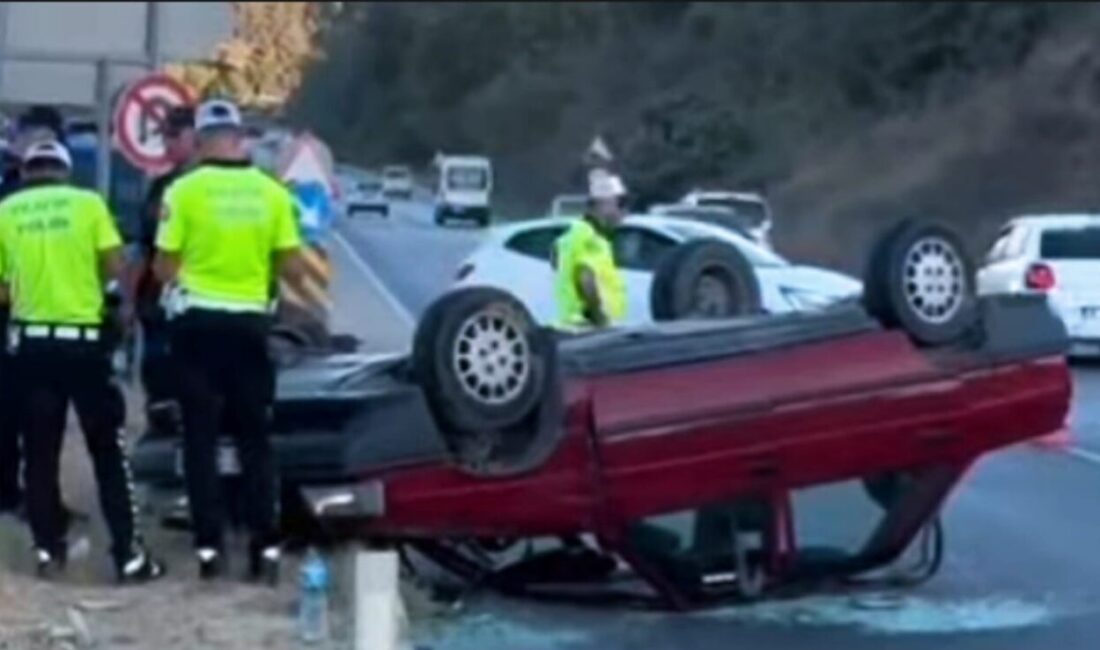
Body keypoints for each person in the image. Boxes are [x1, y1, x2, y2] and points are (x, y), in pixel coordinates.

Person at [0, 140, 164, 582]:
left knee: (39, 453)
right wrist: (120, 310)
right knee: (108, 449)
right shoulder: (88, 204)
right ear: (65, 172)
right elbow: (115, 268)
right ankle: (129, 556)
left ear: (27, 173)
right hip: (86, 348)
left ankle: (47, 553)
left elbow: (2, 290)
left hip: (32, 348)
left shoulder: (6, 212)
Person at [154, 99, 304, 583]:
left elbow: (164, 266)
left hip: (196, 326)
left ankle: (209, 550)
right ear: (241, 138)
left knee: (200, 439)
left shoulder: (183, 191)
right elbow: (292, 266)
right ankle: (265, 547)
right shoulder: (272, 194)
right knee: (255, 438)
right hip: (249, 327)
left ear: (199, 141)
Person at [0, 105, 72, 516]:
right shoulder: (9, 189)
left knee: (37, 416)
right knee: (16, 411)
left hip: (43, 316)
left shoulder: (61, 193)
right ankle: (15, 492)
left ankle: (33, 495)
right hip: (18, 314)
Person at [132, 106, 195, 429]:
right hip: (161, 302)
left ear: (195, 135)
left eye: (174, 136)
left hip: (188, 302)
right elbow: (146, 244)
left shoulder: (186, 187)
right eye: (165, 136)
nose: (167, 144)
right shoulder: (162, 185)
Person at [553, 170, 628, 329]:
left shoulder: (574, 234)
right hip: (588, 327)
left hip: (574, 325)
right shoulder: (590, 237)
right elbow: (586, 279)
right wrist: (601, 320)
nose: (623, 213)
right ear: (603, 204)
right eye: (619, 204)